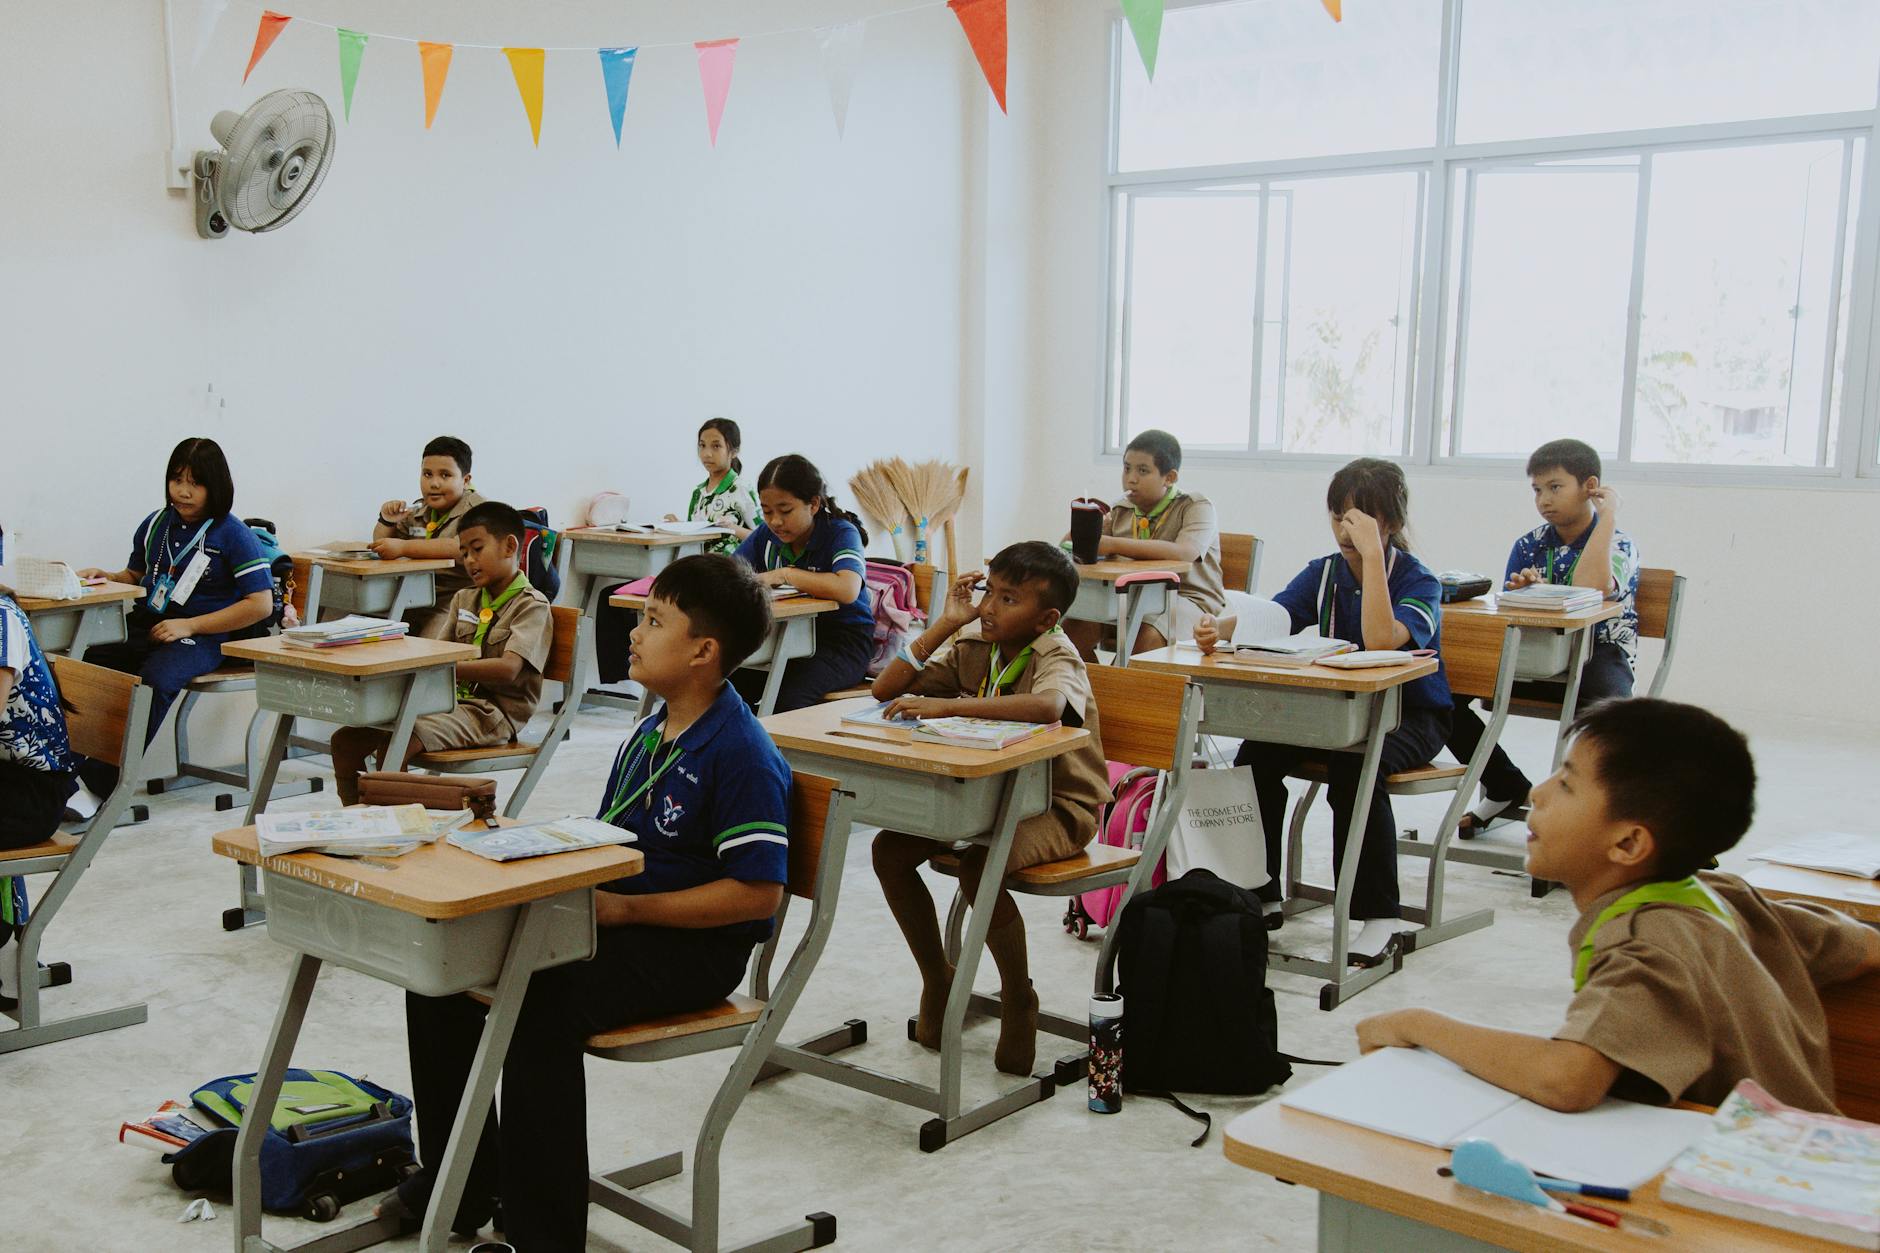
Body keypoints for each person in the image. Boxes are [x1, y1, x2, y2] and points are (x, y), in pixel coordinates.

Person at [386, 554, 791, 1250]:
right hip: (612, 919)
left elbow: (757, 892)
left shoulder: (741, 750)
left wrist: (628, 910)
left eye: (654, 620)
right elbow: (612, 839)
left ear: (703, 650)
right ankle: (462, 1181)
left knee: (537, 996)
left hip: (688, 948)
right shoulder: (651, 730)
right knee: (444, 971)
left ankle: (543, 1231)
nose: (634, 632)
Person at [1357, 698, 1880, 1114]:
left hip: (1755, 1198)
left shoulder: (1645, 941)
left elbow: (1567, 1079)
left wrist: (1419, 1024)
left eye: (1566, 784)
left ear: (1629, 844)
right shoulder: (1724, 895)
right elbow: (1861, 946)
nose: (1537, 794)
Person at [1195, 458, 1450, 965]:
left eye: (1360, 519)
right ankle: (1261, 887)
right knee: (1255, 756)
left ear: (1392, 524)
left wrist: (1375, 559)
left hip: (1410, 716)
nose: (1345, 530)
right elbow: (1277, 616)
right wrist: (1220, 628)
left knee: (1356, 768)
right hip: (1339, 713)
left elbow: (1382, 640)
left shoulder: (1420, 581)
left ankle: (1380, 915)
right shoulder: (1325, 572)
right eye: (1338, 516)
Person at [870, 542, 1109, 1075]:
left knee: (982, 865)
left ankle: (1018, 996)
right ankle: (938, 974)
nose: (990, 608)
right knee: (889, 849)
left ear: (1047, 618)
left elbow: (1048, 707)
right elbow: (887, 689)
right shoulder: (975, 641)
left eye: (1009, 598)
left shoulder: (1057, 653)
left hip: (1058, 808)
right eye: (989, 592)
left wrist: (950, 705)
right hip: (981, 800)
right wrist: (944, 623)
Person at [1447, 437, 1641, 836]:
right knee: (1439, 699)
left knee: (1613, 723)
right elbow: (1505, 611)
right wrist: (1520, 594)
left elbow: (1592, 588)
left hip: (1597, 656)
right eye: (1537, 490)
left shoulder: (1618, 541)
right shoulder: (1529, 545)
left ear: (1590, 487)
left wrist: (1607, 518)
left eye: (1555, 487)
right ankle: (1504, 783)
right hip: (1535, 655)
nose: (1544, 499)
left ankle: (1602, 820)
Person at [75, 436, 273, 803]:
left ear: (216, 487)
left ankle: (102, 786)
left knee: (157, 677)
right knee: (92, 662)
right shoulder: (155, 524)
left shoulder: (233, 534)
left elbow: (260, 604)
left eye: (195, 483)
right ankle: (65, 775)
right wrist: (106, 576)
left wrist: (191, 625)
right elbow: (137, 575)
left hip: (205, 633)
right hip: (150, 620)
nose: (183, 491)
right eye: (177, 480)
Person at [329, 502, 552, 802]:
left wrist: (442, 666)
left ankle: (394, 827)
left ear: (509, 546)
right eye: (464, 553)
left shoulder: (531, 605)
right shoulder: (465, 598)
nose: (469, 561)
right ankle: (357, 818)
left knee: (398, 742)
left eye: (477, 549)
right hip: (445, 703)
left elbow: (509, 669)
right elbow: (439, 651)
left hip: (491, 713)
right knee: (345, 742)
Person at [729, 454, 874, 712]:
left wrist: (787, 574)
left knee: (786, 700)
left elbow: (848, 588)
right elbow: (730, 573)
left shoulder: (840, 532)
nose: (775, 521)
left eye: (785, 511)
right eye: (767, 511)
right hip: (782, 637)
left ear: (814, 504)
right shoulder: (767, 535)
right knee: (722, 686)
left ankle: (780, 750)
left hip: (841, 645)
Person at [370, 434, 486, 633]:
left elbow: (459, 546)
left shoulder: (479, 510)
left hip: (458, 601)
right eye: (427, 474)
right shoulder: (420, 511)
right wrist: (386, 521)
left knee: (428, 648)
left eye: (445, 475)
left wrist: (404, 547)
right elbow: (381, 544)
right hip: (412, 597)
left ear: (465, 480)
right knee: (364, 625)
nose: (434, 483)